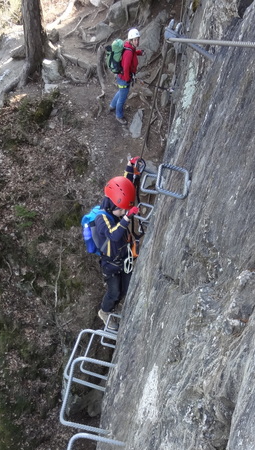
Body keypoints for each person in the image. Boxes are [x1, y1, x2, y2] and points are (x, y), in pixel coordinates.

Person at [95, 164, 142, 331]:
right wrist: (127, 218)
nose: (124, 211)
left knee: (126, 289)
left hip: (124, 257)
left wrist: (130, 169)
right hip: (111, 264)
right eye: (122, 210)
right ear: (114, 206)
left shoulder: (116, 202)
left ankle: (116, 307)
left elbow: (124, 189)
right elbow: (113, 235)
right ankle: (104, 311)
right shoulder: (102, 219)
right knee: (114, 292)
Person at [109, 28, 143, 126]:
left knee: (120, 92)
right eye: (135, 40)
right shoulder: (128, 51)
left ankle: (112, 105)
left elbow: (132, 52)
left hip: (122, 77)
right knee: (122, 98)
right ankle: (119, 116)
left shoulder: (129, 47)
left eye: (138, 39)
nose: (137, 41)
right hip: (124, 78)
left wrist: (139, 52)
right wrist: (128, 79)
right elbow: (126, 67)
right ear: (131, 40)